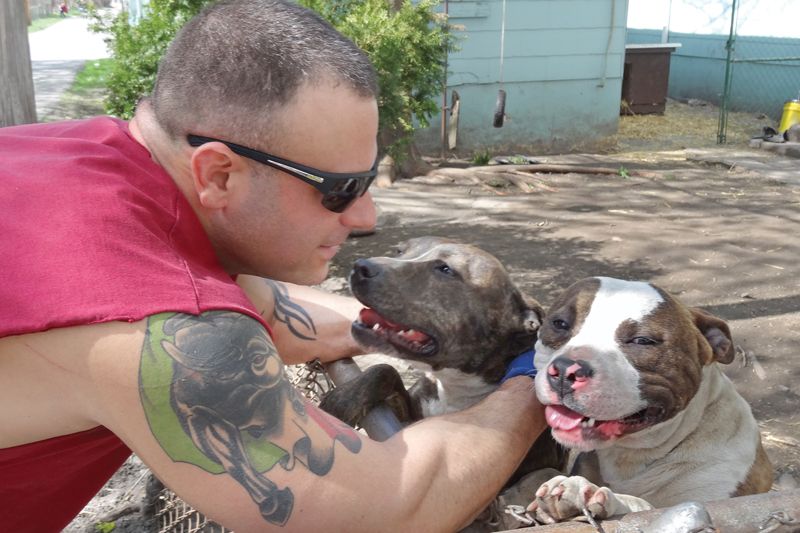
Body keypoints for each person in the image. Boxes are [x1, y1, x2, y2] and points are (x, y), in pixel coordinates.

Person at [0, 1, 545, 531]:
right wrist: (535, 381)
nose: (366, 215)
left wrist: (483, 334)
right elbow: (388, 509)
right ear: (218, 174)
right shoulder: (153, 309)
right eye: (340, 189)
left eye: (369, 178)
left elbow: (274, 314)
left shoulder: (80, 158)